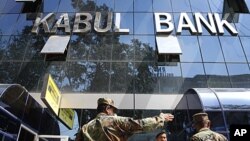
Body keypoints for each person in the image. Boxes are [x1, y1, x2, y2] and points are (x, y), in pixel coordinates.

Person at [76, 98, 174, 141]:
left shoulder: (85, 127)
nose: (115, 113)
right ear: (107, 109)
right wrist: (161, 118)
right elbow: (140, 124)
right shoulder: (114, 121)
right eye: (113, 110)